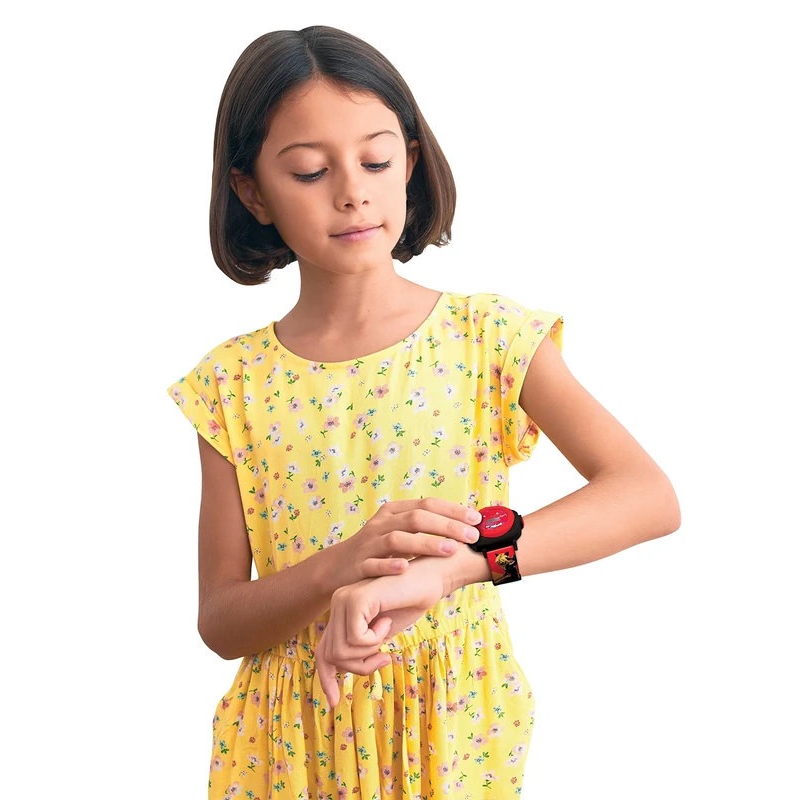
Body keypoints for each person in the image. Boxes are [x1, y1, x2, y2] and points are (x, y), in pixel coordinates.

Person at [166, 25, 681, 800]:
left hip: (450, 729)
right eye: (309, 171)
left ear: (409, 161)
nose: (352, 191)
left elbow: (647, 495)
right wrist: (340, 567)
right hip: (289, 747)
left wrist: (456, 570)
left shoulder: (489, 337)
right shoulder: (232, 384)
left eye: (375, 161)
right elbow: (222, 622)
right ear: (252, 192)